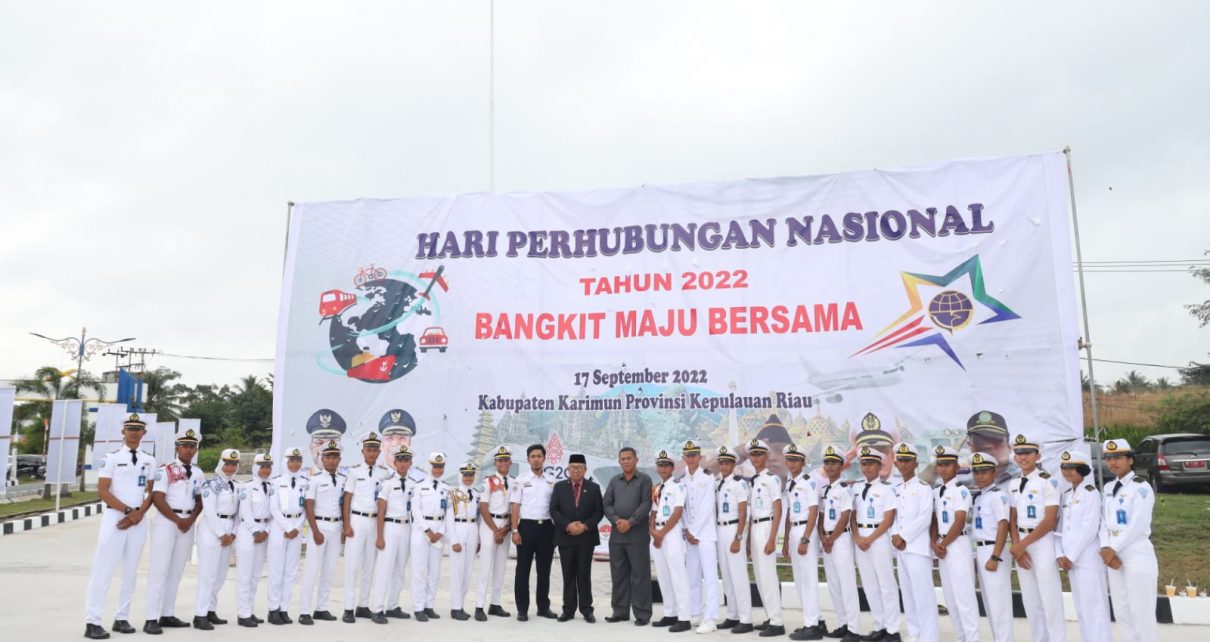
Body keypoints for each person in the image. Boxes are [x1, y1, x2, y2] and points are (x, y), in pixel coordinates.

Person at [85, 414, 157, 640]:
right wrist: (128, 512)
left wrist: (139, 514)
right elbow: (103, 491)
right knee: (103, 570)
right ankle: (93, 621)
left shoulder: (149, 460)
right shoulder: (111, 458)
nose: (134, 432)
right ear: (123, 432)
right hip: (115, 518)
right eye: (130, 428)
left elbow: (152, 492)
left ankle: (121, 617)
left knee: (130, 572)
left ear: (144, 433)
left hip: (138, 520)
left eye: (138, 428)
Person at [143, 426, 202, 635]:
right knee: (159, 571)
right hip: (167, 523)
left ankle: (167, 614)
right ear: (177, 447)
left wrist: (190, 520)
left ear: (196, 449)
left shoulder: (198, 473)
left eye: (192, 446)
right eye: (185, 445)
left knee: (176, 571)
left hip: (187, 524)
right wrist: (178, 520)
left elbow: (199, 500)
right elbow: (158, 498)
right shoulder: (165, 470)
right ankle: (151, 618)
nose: (189, 449)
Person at [1008, 433, 1066, 642]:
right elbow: (1012, 518)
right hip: (1022, 544)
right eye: (1018, 453)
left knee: (1050, 598)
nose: (1023, 457)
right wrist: (1018, 546)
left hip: (1042, 542)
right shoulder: (1014, 483)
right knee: (1030, 599)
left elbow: (1050, 520)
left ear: (1038, 456)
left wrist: (1020, 545)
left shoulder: (1048, 482)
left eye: (1027, 453)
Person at [1099, 438, 1158, 642]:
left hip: (1136, 551)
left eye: (1118, 457)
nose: (1112, 462)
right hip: (1112, 553)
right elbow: (1103, 521)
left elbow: (1137, 524)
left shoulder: (1141, 487)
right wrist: (1105, 547)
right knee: (1121, 611)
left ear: (1130, 460)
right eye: (1109, 458)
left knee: (1141, 612)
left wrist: (1112, 548)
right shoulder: (1108, 488)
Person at [1056, 448, 1111, 642]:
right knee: (1081, 608)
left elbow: (1090, 528)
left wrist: (1070, 555)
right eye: (1064, 468)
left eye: (1072, 468)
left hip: (1088, 559)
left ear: (1083, 470)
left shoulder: (1091, 494)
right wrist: (1060, 553)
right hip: (1071, 561)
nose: (1067, 472)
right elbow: (1060, 528)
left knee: (1095, 608)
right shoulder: (1066, 494)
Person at [851, 445, 899, 642]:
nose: (867, 467)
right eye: (864, 463)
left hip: (878, 539)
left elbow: (889, 518)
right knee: (869, 584)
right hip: (860, 539)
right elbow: (852, 515)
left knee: (886, 585)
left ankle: (892, 630)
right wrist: (857, 537)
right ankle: (879, 626)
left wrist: (870, 539)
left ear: (880, 466)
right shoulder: (855, 487)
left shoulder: (888, 489)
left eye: (871, 463)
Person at [891, 443, 937, 642]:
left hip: (917, 548)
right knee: (908, 595)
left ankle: (929, 637)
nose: (903, 464)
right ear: (896, 463)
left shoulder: (923, 487)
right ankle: (914, 633)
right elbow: (893, 516)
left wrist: (903, 536)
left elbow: (925, 517)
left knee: (923, 595)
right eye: (900, 460)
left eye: (907, 460)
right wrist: (895, 535)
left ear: (916, 463)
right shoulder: (897, 488)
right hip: (901, 549)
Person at [342, 431, 390, 622]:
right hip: (357, 520)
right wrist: (346, 525)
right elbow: (347, 498)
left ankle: (363, 605)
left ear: (379, 452)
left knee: (369, 565)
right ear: (363, 451)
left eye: (375, 450)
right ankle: (348, 608)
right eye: (368, 449)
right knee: (352, 565)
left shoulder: (384, 473)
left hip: (374, 522)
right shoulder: (354, 472)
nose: (371, 453)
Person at [603, 446, 654, 626]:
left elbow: (646, 504)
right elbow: (606, 504)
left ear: (636, 460)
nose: (625, 461)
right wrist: (618, 520)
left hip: (637, 536)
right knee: (618, 575)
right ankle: (620, 611)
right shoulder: (614, 481)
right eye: (622, 459)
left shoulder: (645, 480)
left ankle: (642, 614)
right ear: (619, 462)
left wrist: (630, 522)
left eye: (628, 458)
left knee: (640, 575)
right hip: (617, 536)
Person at [930, 445, 977, 642]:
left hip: (957, 544)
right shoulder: (936, 491)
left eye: (947, 464)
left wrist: (943, 544)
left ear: (956, 467)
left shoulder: (961, 490)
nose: (943, 468)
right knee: (950, 597)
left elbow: (959, 521)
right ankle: (961, 637)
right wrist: (934, 542)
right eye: (940, 464)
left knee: (964, 597)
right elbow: (934, 520)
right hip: (942, 545)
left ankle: (972, 639)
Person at [551, 452, 605, 622]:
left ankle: (587, 609)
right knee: (568, 575)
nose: (575, 470)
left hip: (585, 537)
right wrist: (568, 525)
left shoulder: (594, 488)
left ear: (585, 469)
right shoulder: (559, 487)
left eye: (579, 467)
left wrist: (584, 526)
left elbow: (599, 511)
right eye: (572, 467)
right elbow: (554, 510)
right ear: (568, 469)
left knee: (584, 574)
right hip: (565, 537)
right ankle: (568, 610)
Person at [298, 439, 346, 626]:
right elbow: (309, 505)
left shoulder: (342, 480)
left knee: (329, 570)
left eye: (335, 457)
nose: (332, 460)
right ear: (322, 459)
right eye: (328, 457)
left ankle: (321, 608)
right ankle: (304, 611)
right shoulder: (315, 480)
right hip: (319, 526)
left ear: (339, 459)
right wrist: (315, 530)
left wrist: (343, 528)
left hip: (336, 527)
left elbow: (343, 506)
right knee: (311, 569)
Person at [193, 448, 241, 631]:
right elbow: (210, 511)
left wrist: (233, 533)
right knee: (208, 575)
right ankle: (200, 615)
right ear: (221, 464)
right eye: (227, 463)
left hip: (229, 529)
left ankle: (210, 610)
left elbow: (239, 513)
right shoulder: (210, 485)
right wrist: (221, 534)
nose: (230, 467)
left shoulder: (237, 486)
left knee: (220, 575)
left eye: (234, 464)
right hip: (211, 531)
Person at [510, 444, 559, 621]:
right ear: (528, 459)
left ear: (544, 458)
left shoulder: (552, 481)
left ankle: (543, 607)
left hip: (546, 528)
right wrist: (515, 530)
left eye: (539, 456)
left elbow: (556, 508)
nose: (536, 459)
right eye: (533, 456)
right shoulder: (520, 480)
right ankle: (522, 609)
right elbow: (515, 507)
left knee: (544, 570)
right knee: (522, 570)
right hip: (526, 528)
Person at [677, 439, 720, 633]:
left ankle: (711, 618)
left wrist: (694, 530)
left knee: (709, 576)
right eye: (688, 455)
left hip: (706, 534)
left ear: (700, 457)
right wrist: (687, 529)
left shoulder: (708, 477)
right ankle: (695, 612)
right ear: (684, 457)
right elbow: (683, 508)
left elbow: (707, 506)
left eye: (694, 455)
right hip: (690, 535)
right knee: (691, 575)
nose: (691, 458)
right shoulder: (682, 480)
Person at [369, 444, 417, 624]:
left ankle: (393, 605)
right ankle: (377, 608)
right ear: (395, 463)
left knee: (399, 570)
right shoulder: (387, 484)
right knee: (384, 569)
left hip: (406, 528)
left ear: (410, 463)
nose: (403, 464)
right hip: (390, 527)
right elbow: (381, 511)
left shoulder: (414, 485)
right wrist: (379, 536)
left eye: (406, 460)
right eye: (400, 460)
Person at [782, 443, 824, 641]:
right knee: (799, 579)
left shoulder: (809, 482)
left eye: (796, 460)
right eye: (789, 459)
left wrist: (805, 538)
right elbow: (790, 512)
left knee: (808, 579)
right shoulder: (790, 483)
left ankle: (812, 626)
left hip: (806, 530)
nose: (792, 463)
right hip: (794, 530)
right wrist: (785, 540)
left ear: (803, 462)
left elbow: (814, 511)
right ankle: (815, 620)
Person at [818, 445, 859, 642]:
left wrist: (832, 538)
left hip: (840, 539)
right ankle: (843, 624)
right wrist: (822, 537)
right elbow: (821, 516)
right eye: (827, 462)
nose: (829, 466)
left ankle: (854, 629)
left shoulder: (845, 489)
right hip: (827, 541)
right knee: (834, 584)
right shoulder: (824, 490)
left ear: (842, 466)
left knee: (847, 584)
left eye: (834, 463)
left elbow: (846, 515)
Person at [970, 453, 1012, 642]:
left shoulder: (998, 496)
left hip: (994, 550)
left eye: (984, 471)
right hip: (981, 550)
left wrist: (995, 557)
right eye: (976, 472)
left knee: (999, 603)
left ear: (994, 472)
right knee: (989, 603)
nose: (979, 476)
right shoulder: (979, 497)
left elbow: (1003, 525)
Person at [650, 449, 693, 632]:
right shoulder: (656, 488)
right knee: (663, 575)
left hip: (671, 533)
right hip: (657, 534)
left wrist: (662, 533)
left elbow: (677, 512)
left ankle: (684, 618)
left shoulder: (679, 486)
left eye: (666, 465)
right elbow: (653, 512)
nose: (663, 468)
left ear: (672, 467)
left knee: (678, 575)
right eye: (660, 465)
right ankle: (670, 613)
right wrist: (653, 532)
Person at [747, 438, 786, 638]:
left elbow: (778, 509)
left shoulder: (772, 479)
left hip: (766, 527)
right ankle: (770, 616)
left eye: (759, 454)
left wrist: (773, 538)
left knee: (768, 575)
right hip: (754, 527)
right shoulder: (752, 481)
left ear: (767, 456)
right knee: (759, 576)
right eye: (753, 454)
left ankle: (777, 622)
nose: (755, 458)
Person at [713, 445, 753, 634]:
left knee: (739, 576)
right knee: (727, 576)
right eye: (721, 463)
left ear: (733, 464)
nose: (724, 466)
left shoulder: (739, 484)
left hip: (734, 529)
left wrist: (738, 537)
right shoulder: (717, 484)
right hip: (720, 530)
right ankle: (732, 615)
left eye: (727, 463)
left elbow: (744, 512)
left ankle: (746, 619)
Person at [266, 447, 308, 626]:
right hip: (279, 527)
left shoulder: (305, 482)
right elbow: (274, 508)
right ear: (285, 462)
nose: (295, 464)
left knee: (291, 571)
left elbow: (306, 508)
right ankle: (273, 609)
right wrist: (287, 527)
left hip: (296, 528)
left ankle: (284, 608)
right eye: (292, 460)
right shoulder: (276, 482)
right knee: (276, 570)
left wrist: (296, 527)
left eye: (298, 461)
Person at [475, 445, 515, 621]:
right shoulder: (488, 482)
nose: (503, 463)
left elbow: (514, 507)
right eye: (500, 461)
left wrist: (506, 529)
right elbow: (483, 507)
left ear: (510, 462)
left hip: (505, 526)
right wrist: (495, 530)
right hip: (489, 525)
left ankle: (495, 604)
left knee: (500, 567)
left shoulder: (514, 483)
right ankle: (479, 606)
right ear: (495, 463)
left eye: (506, 460)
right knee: (485, 566)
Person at [411, 452, 451, 621]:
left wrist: (441, 531)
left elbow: (448, 512)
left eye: (440, 467)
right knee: (419, 571)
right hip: (421, 530)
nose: (438, 469)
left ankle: (429, 605)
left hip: (438, 530)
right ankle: (418, 607)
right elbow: (415, 510)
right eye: (435, 466)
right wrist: (427, 530)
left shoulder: (447, 488)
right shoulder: (419, 486)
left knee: (434, 572)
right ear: (429, 466)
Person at [236, 453, 274, 627]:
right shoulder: (247, 486)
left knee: (255, 576)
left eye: (268, 467)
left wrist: (265, 530)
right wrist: (256, 531)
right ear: (255, 468)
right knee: (244, 575)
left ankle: (249, 611)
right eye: (262, 467)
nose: (266, 470)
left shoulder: (271, 487)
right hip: (248, 532)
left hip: (264, 532)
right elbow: (245, 511)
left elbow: (273, 511)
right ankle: (243, 614)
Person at [449, 461, 481, 620]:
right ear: (460, 475)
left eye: (471, 475)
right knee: (457, 571)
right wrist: (453, 540)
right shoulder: (453, 493)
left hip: (473, 529)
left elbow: (479, 517)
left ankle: (460, 605)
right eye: (465, 475)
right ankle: (455, 608)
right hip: (459, 528)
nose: (468, 478)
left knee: (467, 571)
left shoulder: (477, 493)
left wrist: (479, 539)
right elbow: (449, 518)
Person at [965, 411, 1017, 488]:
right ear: (970, 447)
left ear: (1009, 447)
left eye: (995, 440)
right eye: (979, 441)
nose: (987, 446)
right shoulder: (963, 481)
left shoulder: (1024, 477)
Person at [305, 408, 346, 473]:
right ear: (310, 446)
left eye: (331, 443)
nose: (325, 448)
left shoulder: (351, 476)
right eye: (319, 443)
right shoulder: (299, 477)